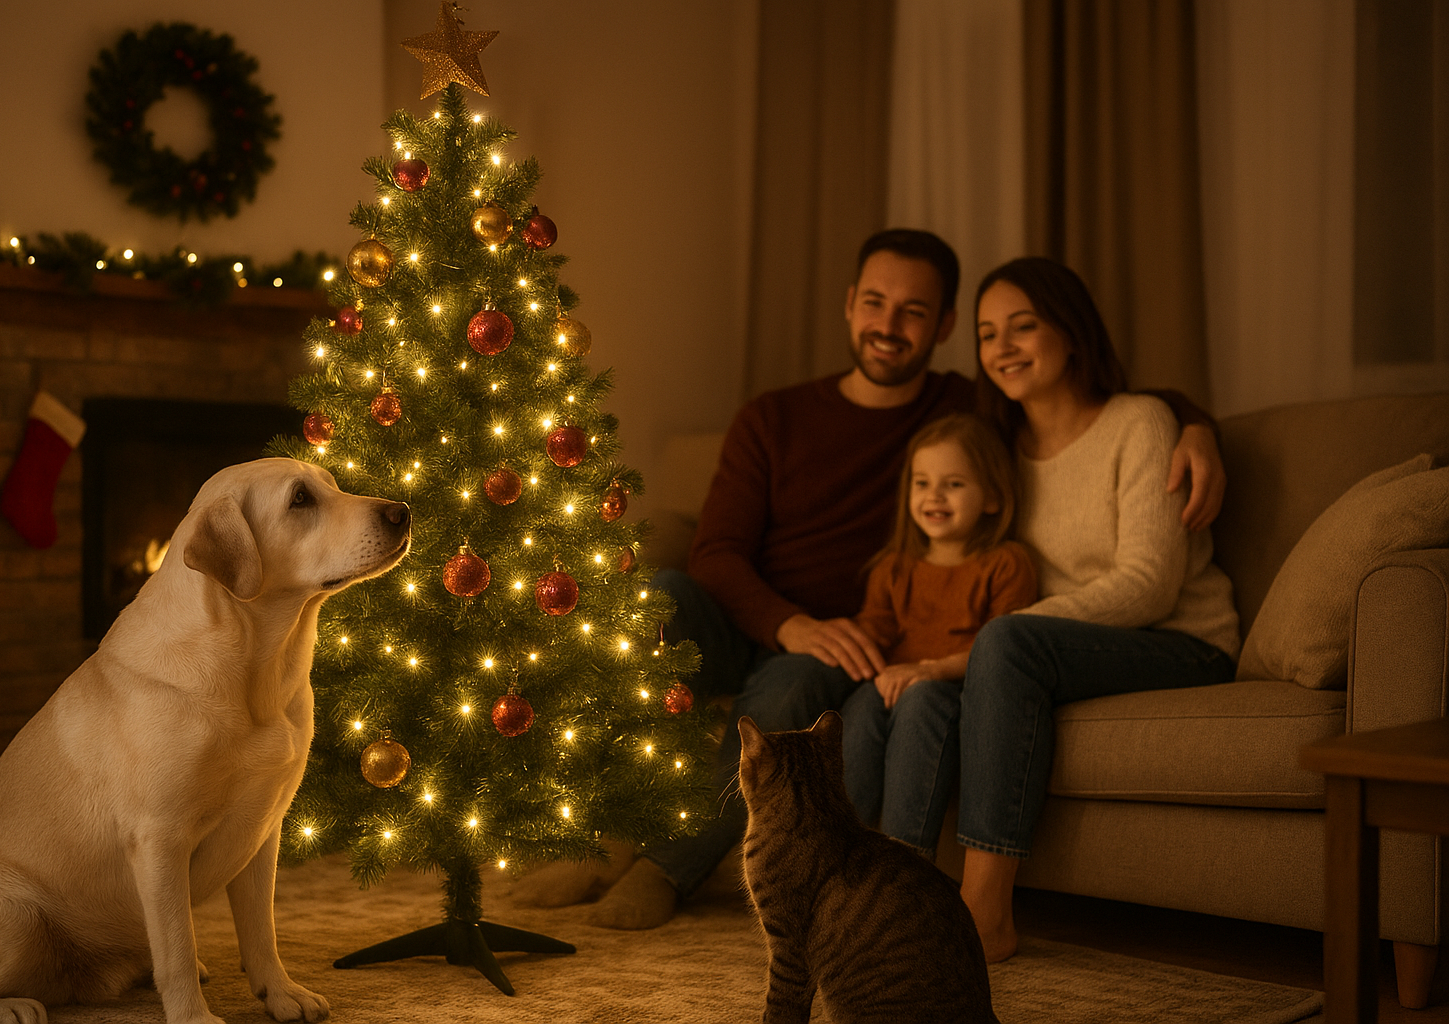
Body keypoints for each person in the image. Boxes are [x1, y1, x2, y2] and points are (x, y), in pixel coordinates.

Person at [514, 229, 1227, 929]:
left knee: (790, 686)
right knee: (658, 597)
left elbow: (1094, 401)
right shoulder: (774, 416)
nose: (890, 326)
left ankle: (664, 872)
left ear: (942, 327)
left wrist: (1196, 425)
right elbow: (717, 551)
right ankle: (601, 833)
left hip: (851, 643)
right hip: (764, 618)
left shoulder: (968, 411)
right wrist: (787, 620)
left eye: (914, 312)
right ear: (851, 303)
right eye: (877, 303)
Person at [870, 256, 1241, 964]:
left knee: (1002, 647)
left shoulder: (1142, 423)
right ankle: (900, 904)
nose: (1002, 346)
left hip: (1181, 640)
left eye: (1023, 327)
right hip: (1051, 648)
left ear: (1070, 333)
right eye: (986, 334)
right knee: (929, 698)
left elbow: (1150, 584)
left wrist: (983, 646)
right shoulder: (998, 450)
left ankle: (984, 915)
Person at [839, 413, 1037, 830]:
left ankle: (903, 861)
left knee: (920, 700)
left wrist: (927, 672)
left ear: (993, 497)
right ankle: (838, 845)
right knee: (861, 703)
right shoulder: (893, 568)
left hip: (956, 694)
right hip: (893, 685)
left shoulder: (1006, 563)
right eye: (922, 482)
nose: (935, 496)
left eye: (954, 484)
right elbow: (874, 629)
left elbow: (1003, 651)